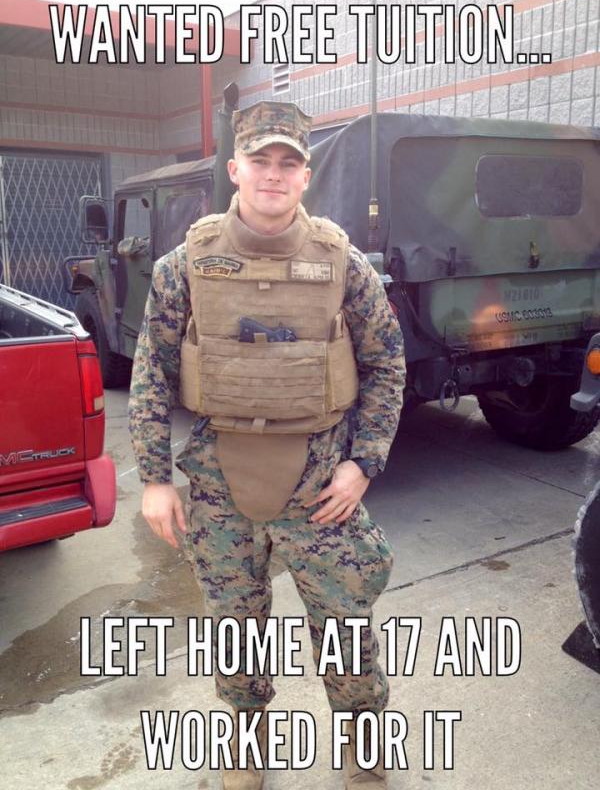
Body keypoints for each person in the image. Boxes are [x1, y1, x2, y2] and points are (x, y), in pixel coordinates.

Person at [128, 100, 405, 789]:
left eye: (288, 162)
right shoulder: (184, 265)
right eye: (260, 160)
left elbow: (386, 364)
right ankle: (246, 742)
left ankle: (364, 738)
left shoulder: (344, 264)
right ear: (235, 169)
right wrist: (155, 478)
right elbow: (151, 372)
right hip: (220, 477)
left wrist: (363, 464)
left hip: (321, 478)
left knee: (344, 620)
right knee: (235, 622)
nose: (273, 174)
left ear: (306, 176)